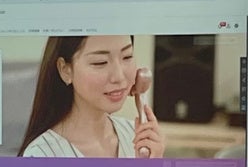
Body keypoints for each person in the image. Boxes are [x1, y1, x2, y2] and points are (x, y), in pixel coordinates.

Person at [18, 34, 162, 158]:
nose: (119, 76)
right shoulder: (41, 155)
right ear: (65, 70)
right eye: (100, 62)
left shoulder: (138, 138)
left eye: (127, 56)